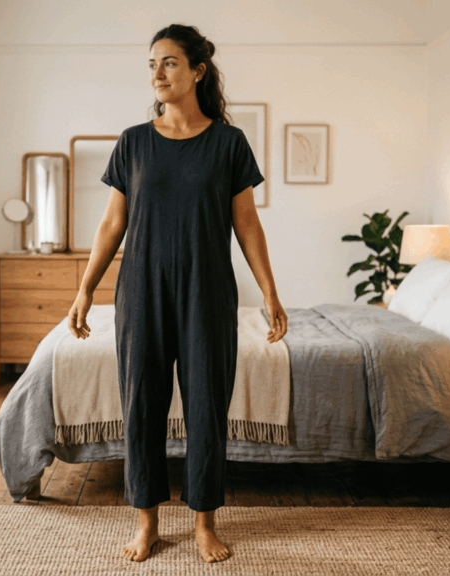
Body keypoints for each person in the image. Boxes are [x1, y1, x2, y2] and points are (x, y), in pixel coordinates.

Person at [66, 23, 288, 564]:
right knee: (141, 404)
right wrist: (84, 289)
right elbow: (111, 224)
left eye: (168, 63)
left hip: (207, 292)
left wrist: (271, 294)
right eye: (152, 65)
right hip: (139, 292)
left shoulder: (228, 143)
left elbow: (248, 226)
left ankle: (204, 523)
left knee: (207, 407)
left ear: (196, 70)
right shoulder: (134, 142)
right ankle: (146, 523)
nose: (157, 74)